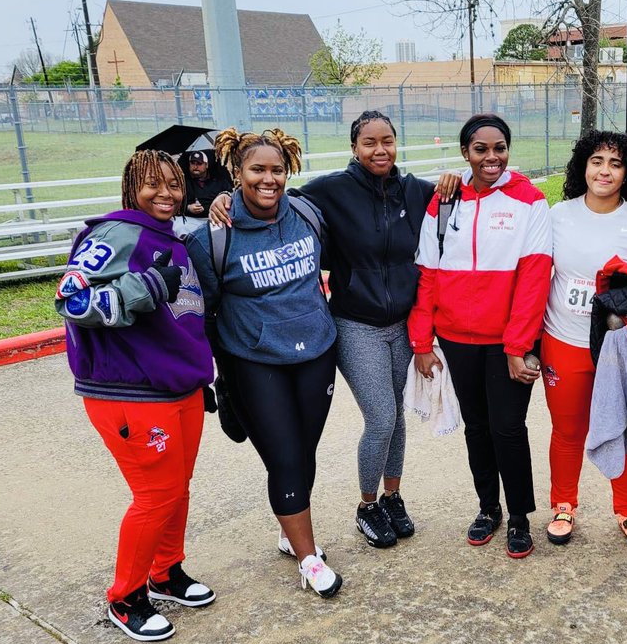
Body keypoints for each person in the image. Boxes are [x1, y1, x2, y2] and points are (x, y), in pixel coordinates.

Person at [207, 112, 459, 550]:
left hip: (402, 324)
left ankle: (392, 496)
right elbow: (271, 196)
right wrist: (225, 198)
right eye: (369, 142)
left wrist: (454, 176)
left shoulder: (414, 191)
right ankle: (366, 506)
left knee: (396, 417)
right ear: (354, 148)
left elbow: (465, 191)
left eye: (388, 140)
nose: (379, 150)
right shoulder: (329, 192)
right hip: (354, 324)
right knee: (380, 417)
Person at [55, 149, 215, 642]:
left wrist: (199, 375)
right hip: (129, 391)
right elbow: (72, 299)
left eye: (173, 183)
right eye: (153, 184)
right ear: (131, 187)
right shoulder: (115, 235)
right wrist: (145, 285)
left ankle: (165, 572)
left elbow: (182, 317)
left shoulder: (172, 239)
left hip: (177, 387)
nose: (166, 193)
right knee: (155, 495)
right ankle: (125, 597)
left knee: (178, 488)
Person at [187, 128, 343, 598]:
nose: (268, 179)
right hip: (255, 361)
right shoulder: (211, 239)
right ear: (236, 173)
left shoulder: (306, 213)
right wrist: (216, 375)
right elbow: (207, 313)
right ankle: (309, 559)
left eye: (277, 169)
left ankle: (290, 530)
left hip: (316, 350)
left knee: (305, 451)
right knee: (285, 456)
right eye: (257, 170)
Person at [409, 113, 552, 559]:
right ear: (465, 153)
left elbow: (534, 279)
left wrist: (517, 347)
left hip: (507, 343)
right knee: (476, 428)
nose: (491, 157)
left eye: (499, 148)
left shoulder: (530, 201)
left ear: (508, 150)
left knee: (508, 428)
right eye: (480, 149)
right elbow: (427, 277)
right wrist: (421, 343)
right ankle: (488, 508)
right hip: (455, 340)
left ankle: (520, 518)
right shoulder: (443, 202)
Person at [540, 131, 627, 549]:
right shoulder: (556, 215)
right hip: (563, 340)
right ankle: (564, 504)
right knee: (567, 429)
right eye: (597, 160)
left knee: (624, 427)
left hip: (618, 347)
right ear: (583, 165)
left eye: (615, 164)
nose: (605, 170)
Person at [179, 150, 232, 220]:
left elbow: (231, 196)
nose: (195, 166)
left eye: (199, 163)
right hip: (189, 219)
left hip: (217, 218)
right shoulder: (182, 182)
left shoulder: (220, 181)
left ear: (206, 165)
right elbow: (173, 204)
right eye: (192, 163)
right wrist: (188, 208)